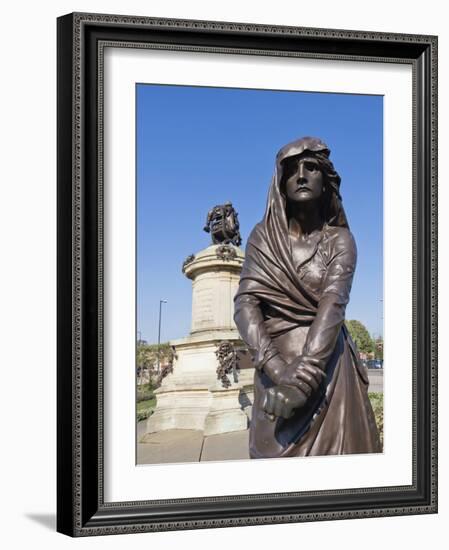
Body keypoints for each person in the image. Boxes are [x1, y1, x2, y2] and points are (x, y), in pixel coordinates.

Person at [234, 136, 381, 458]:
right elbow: (245, 303)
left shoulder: (340, 240)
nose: (301, 175)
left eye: (311, 167)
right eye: (292, 170)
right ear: (280, 182)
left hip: (328, 368)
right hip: (275, 369)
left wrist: (301, 381)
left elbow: (333, 304)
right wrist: (277, 369)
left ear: (325, 180)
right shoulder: (262, 238)